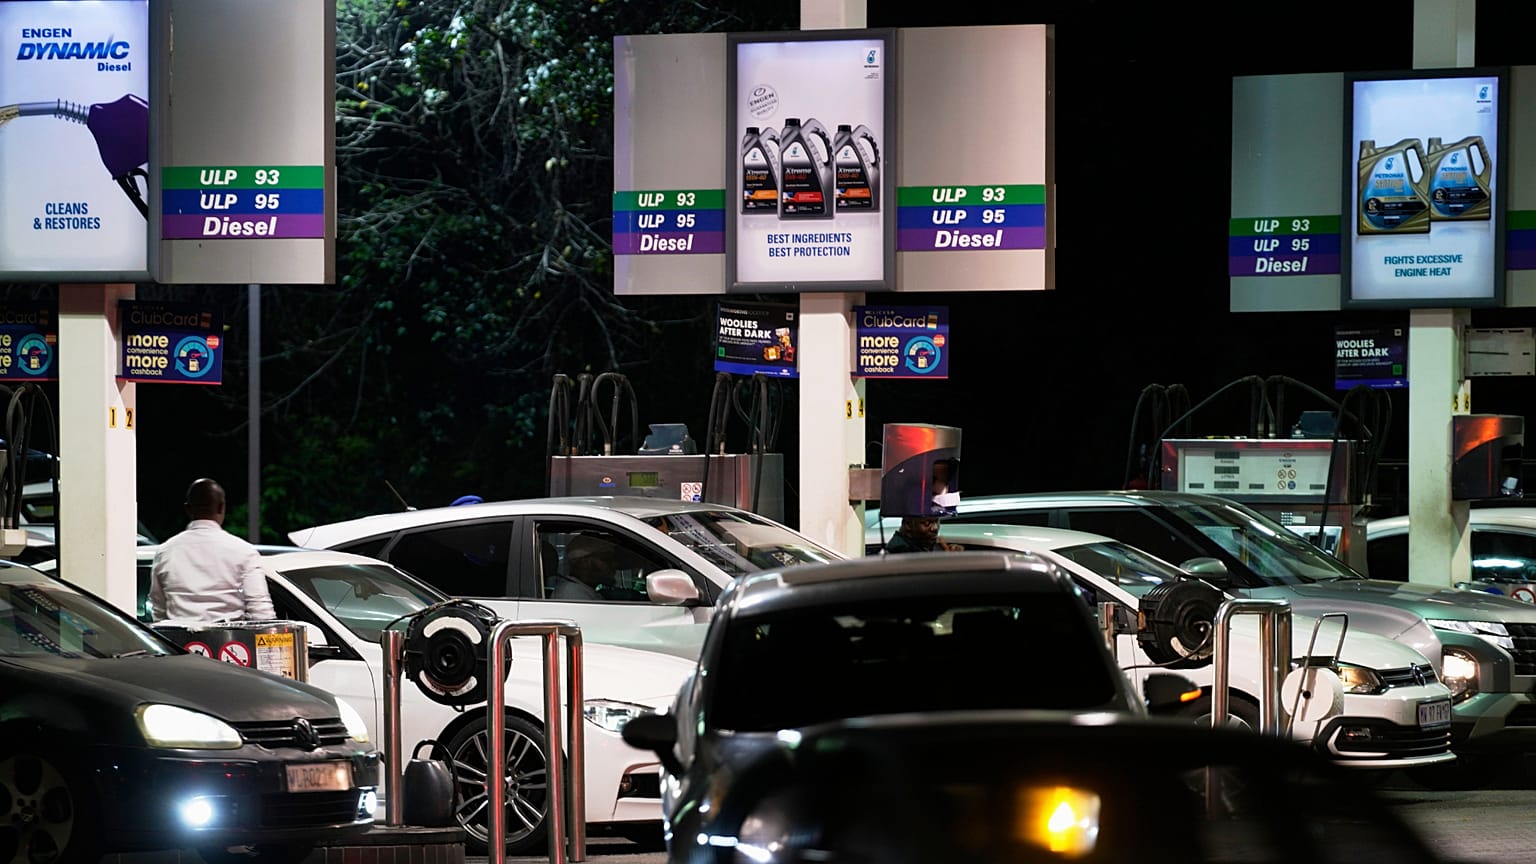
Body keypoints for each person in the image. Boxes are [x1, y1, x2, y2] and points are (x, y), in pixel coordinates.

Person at [148, 478, 275, 623]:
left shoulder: (165, 552)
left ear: (188, 509)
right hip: (231, 643)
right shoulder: (243, 551)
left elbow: (158, 609)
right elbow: (261, 610)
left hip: (177, 642)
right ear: (221, 507)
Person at [550, 535, 609, 600]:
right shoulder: (572, 593)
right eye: (606, 559)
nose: (614, 564)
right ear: (585, 562)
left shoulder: (584, 589)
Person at [884, 515, 961, 554]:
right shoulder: (900, 552)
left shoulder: (919, 545)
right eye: (927, 523)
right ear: (908, 524)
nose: (935, 528)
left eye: (937, 522)